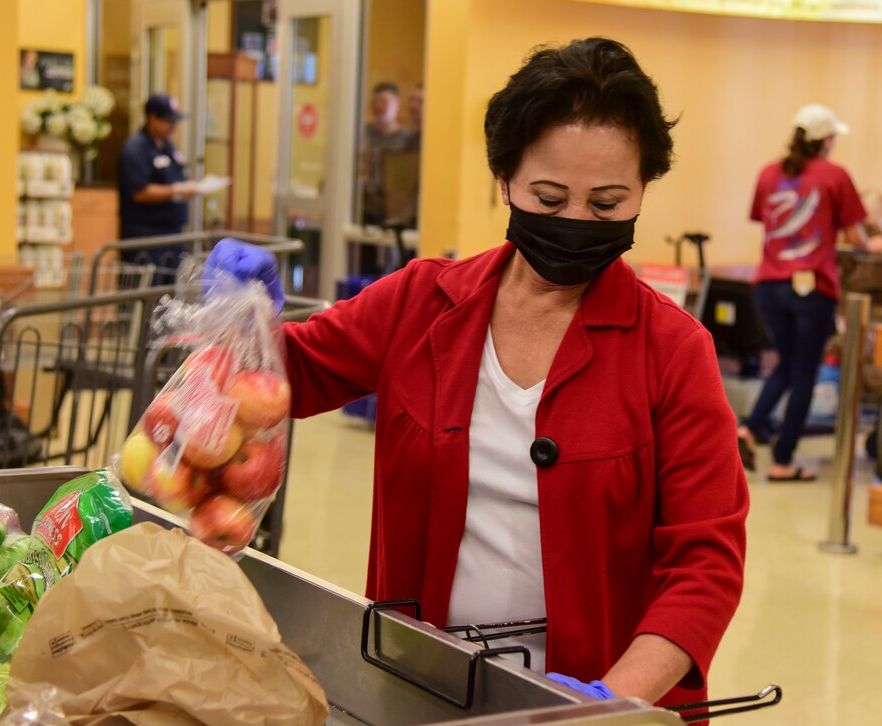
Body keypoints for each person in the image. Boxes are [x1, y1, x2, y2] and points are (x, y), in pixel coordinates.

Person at [208, 38, 747, 710]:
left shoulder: (671, 351)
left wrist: (611, 700)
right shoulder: (420, 304)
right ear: (504, 182)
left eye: (608, 205)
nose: (578, 223)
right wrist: (239, 323)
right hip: (419, 686)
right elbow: (280, 379)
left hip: (591, 705)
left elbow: (706, 565)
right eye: (549, 198)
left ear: (642, 191)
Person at [737, 104, 882, 481]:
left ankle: (749, 429)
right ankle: (783, 461)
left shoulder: (769, 173)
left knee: (786, 367)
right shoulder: (834, 175)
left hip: (769, 285)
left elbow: (761, 218)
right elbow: (858, 239)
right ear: (827, 140)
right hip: (812, 289)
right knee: (803, 373)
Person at [118, 93, 201, 281]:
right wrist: (177, 191)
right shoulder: (136, 148)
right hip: (147, 238)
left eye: (175, 121)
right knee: (147, 297)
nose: (173, 126)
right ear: (152, 118)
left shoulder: (168, 147)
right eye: (168, 121)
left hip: (172, 236)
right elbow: (139, 192)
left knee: (171, 295)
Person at [361, 82, 414, 226]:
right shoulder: (362, 134)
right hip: (364, 209)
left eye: (384, 101)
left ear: (397, 105)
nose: (378, 106)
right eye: (375, 102)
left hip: (394, 212)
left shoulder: (408, 139)